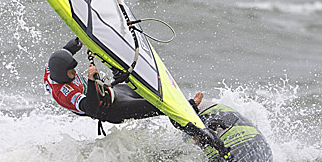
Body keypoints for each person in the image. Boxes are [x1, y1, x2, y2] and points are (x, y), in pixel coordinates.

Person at [44, 37, 203, 125]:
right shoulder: (66, 94)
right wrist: (92, 81)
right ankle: (192, 114)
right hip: (112, 109)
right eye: (71, 72)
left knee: (153, 89)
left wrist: (81, 40)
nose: (74, 73)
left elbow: (68, 48)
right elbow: (91, 108)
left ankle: (183, 111)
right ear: (62, 75)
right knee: (159, 105)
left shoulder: (53, 67)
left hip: (114, 92)